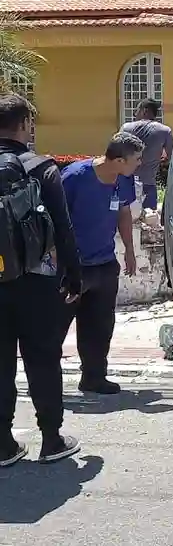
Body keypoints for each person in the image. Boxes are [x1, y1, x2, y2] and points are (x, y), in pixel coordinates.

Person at [0, 94, 82, 465]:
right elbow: (64, 229)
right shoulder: (42, 168)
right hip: (36, 282)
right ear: (25, 124)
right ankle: (52, 439)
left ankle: (3, 445)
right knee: (43, 359)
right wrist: (74, 276)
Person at [61, 132, 143, 395]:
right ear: (119, 160)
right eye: (136, 159)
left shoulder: (124, 180)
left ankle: (94, 377)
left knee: (99, 326)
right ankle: (45, 381)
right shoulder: (75, 177)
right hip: (72, 266)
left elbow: (124, 214)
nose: (139, 163)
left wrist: (130, 250)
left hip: (105, 264)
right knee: (55, 326)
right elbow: (52, 215)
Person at [120, 98, 173, 212]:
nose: (135, 113)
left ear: (145, 110)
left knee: (125, 220)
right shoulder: (164, 131)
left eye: (137, 110)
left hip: (126, 183)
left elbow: (116, 153)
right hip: (148, 184)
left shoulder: (126, 128)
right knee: (150, 223)